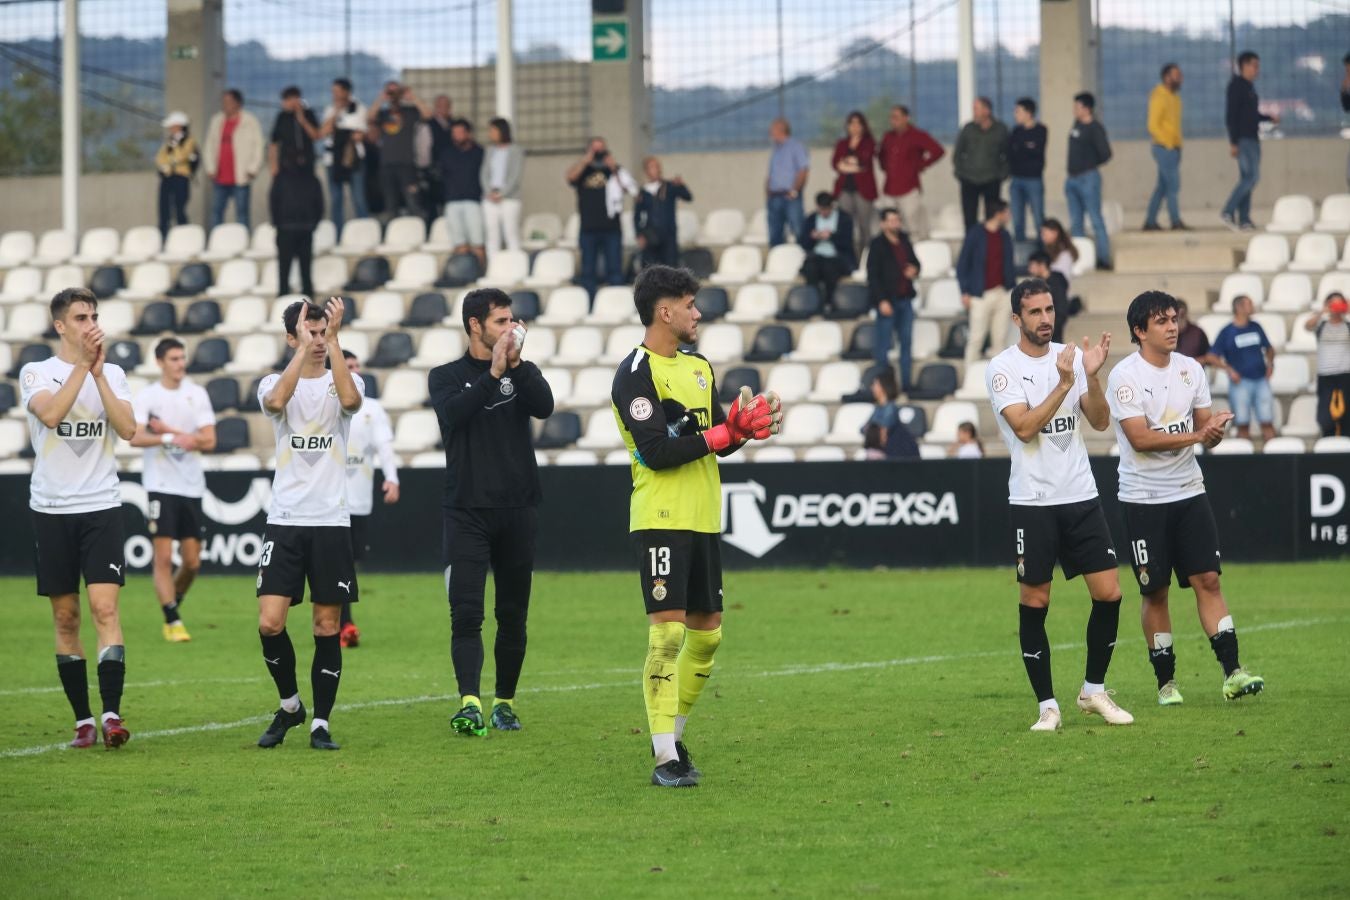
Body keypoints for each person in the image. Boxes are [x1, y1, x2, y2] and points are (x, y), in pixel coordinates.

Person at [610, 265, 782, 787]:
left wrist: (744, 430)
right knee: (667, 635)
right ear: (665, 311)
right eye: (689, 305)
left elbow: (715, 440)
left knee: (707, 638)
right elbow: (657, 452)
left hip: (704, 516)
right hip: (660, 517)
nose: (697, 313)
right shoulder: (634, 374)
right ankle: (665, 758)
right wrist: (724, 434)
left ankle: (673, 736)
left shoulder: (700, 367)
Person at [985, 278, 1132, 732]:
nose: (1046, 318)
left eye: (1049, 309)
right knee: (1036, 600)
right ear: (1017, 319)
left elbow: (1101, 421)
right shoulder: (1003, 368)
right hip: (1033, 500)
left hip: (1081, 495)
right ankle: (1047, 706)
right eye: (1035, 312)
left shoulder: (1070, 358)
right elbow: (1025, 428)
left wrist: (1091, 376)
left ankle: (1093, 690)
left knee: (1109, 593)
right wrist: (1065, 382)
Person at [1107, 290, 1265, 706]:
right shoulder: (1124, 376)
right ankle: (1166, 683)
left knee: (1208, 579)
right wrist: (1198, 435)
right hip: (1143, 498)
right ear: (1140, 331)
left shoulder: (1191, 369)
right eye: (1161, 321)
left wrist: (1214, 433)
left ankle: (1233, 672)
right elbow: (1140, 439)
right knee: (1155, 591)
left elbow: (1204, 433)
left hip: (1189, 491)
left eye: (1174, 319)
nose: (1172, 327)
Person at [428, 289, 553, 736]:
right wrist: (493, 373)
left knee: (512, 614)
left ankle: (504, 702)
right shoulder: (445, 376)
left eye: (512, 320)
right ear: (474, 325)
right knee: (466, 613)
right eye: (501, 321)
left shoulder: (523, 371)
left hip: (518, 508)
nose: (510, 328)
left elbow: (545, 406)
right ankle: (469, 703)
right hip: (467, 510)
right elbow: (454, 416)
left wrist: (514, 366)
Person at [21, 287, 137, 749]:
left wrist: (100, 374)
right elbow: (51, 415)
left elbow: (128, 429)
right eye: (81, 318)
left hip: (101, 506)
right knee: (66, 617)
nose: (91, 324)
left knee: (105, 609)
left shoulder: (114, 373)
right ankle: (82, 720)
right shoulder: (36, 371)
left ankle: (111, 715)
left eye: (94, 316)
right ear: (60, 326)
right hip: (51, 510)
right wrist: (82, 368)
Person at [254, 298, 362, 752]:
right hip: (285, 519)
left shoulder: (345, 379)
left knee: (326, 625)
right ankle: (291, 706)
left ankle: (320, 723)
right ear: (291, 337)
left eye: (322, 331)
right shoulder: (273, 383)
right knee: (270, 623)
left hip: (330, 521)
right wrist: (303, 350)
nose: (318, 340)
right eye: (309, 333)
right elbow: (276, 402)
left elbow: (352, 402)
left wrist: (334, 343)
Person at [128, 338, 217, 643]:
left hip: (191, 486)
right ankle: (172, 619)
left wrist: (170, 431)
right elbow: (135, 437)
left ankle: (172, 603)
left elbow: (209, 441)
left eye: (182, 358)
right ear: (159, 362)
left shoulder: (197, 394)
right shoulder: (148, 396)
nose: (180, 364)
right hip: (160, 485)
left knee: (192, 562)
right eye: (174, 359)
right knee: (163, 557)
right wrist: (169, 437)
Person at [340, 350, 400, 648]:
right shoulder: (325, 404)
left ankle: (335, 620)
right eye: (348, 366)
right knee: (339, 563)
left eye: (356, 366)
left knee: (349, 562)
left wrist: (392, 478)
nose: (355, 370)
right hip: (327, 504)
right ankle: (344, 624)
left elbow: (384, 447)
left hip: (359, 501)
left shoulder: (372, 408)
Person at [269, 86, 324, 298]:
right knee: (284, 264)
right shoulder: (281, 118)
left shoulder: (308, 115)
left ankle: (308, 295)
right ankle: (283, 295)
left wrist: (301, 118)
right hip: (285, 222)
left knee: (305, 264)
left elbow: (316, 134)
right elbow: (273, 143)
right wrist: (274, 166)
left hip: (305, 220)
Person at [565, 137, 637, 299]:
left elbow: (628, 188)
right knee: (588, 271)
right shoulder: (583, 170)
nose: (598, 153)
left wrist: (613, 168)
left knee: (615, 270)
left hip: (612, 228)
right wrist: (586, 160)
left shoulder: (614, 169)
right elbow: (570, 177)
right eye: (595, 149)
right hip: (588, 228)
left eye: (601, 149)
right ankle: (589, 303)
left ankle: (616, 303)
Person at [1222, 51, 1277, 231]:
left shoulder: (1249, 88)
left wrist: (1268, 118)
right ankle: (1228, 211)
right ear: (1244, 66)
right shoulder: (1236, 86)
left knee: (1247, 179)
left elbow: (1251, 115)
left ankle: (1244, 219)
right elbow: (1231, 116)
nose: (1257, 69)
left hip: (1253, 138)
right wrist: (1233, 142)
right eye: (1254, 65)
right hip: (1243, 140)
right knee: (1252, 177)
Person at [1207, 295, 1275, 441]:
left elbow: (1269, 348)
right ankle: (1245, 452)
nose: (1253, 306)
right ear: (1239, 307)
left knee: (1267, 422)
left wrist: (1270, 364)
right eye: (1249, 303)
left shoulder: (1256, 327)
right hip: (1240, 383)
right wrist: (1229, 369)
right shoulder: (1227, 332)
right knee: (1242, 425)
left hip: (1261, 379)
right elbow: (1211, 356)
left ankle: (1273, 452)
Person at [866, 207, 921, 389]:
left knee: (906, 344)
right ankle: (884, 388)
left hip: (905, 299)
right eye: (891, 220)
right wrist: (881, 300)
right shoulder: (877, 245)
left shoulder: (904, 240)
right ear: (883, 224)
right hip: (887, 301)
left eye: (897, 220)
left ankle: (906, 384)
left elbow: (915, 263)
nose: (895, 223)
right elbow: (873, 276)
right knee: (883, 347)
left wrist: (915, 270)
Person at [957, 199, 1015, 364]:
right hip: (980, 294)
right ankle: (968, 376)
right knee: (976, 339)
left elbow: (1009, 265)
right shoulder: (975, 234)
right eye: (1006, 212)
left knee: (1000, 340)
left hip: (1003, 292)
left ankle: (999, 378)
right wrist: (964, 291)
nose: (1009, 216)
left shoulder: (1005, 235)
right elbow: (962, 265)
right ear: (998, 214)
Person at [878, 105, 944, 240]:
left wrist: (921, 165)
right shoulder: (888, 136)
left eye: (896, 117)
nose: (893, 121)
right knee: (890, 224)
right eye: (891, 117)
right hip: (890, 188)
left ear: (906, 118)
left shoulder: (917, 135)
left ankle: (913, 249)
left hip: (909, 188)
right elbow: (881, 155)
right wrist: (885, 167)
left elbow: (938, 151)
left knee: (912, 225)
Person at [369, 80, 431, 220]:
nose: (393, 95)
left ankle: (419, 227)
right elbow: (370, 117)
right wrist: (381, 99)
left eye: (396, 91)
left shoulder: (410, 112)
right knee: (390, 205)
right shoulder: (383, 114)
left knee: (413, 202)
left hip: (407, 164)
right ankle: (393, 231)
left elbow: (428, 115)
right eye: (390, 91)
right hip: (387, 165)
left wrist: (412, 97)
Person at [1065, 92, 1113, 271]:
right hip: (1072, 178)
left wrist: (1089, 163)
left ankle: (1103, 257)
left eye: (1077, 107)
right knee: (1076, 222)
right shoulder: (1077, 124)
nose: (1074, 110)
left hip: (1088, 178)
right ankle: (1079, 259)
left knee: (1095, 218)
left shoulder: (1095, 128)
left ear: (1087, 108)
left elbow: (1106, 153)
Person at [203, 89, 263, 231]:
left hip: (241, 176)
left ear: (238, 103)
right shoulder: (216, 120)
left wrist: (253, 168)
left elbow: (259, 146)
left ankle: (243, 239)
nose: (225, 105)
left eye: (229, 101)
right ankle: (215, 240)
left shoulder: (249, 120)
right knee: (216, 213)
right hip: (219, 177)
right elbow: (209, 146)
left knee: (242, 214)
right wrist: (210, 168)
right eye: (223, 101)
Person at [319, 78, 369, 236]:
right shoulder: (330, 110)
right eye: (333, 92)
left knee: (358, 197)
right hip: (333, 159)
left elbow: (361, 134)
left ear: (347, 92)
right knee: (336, 199)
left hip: (353, 158)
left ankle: (364, 232)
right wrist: (336, 112)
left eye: (338, 91)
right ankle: (338, 234)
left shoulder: (360, 109)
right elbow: (323, 132)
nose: (335, 95)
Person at [952, 97, 1008, 231]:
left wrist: (1002, 174)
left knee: (992, 216)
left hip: (992, 179)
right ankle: (971, 242)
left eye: (976, 109)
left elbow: (1007, 154)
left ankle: (990, 242)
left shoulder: (1000, 130)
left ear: (986, 111)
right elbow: (958, 153)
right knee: (969, 217)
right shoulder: (968, 129)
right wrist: (960, 173)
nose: (974, 112)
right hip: (969, 179)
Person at [1144, 64, 1188, 231]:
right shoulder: (1159, 96)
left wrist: (1176, 144)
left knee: (1162, 187)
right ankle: (1175, 221)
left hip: (1174, 147)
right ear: (1166, 77)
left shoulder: (1175, 98)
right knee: (1173, 185)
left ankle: (1150, 221)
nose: (1180, 78)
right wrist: (1168, 143)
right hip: (1164, 148)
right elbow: (1152, 125)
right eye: (1176, 75)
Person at [798, 192, 856, 310]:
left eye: (827, 209)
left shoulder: (844, 218)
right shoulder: (811, 219)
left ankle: (829, 302)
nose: (824, 212)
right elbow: (803, 243)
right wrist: (813, 237)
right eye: (821, 209)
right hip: (816, 257)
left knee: (830, 270)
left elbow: (847, 242)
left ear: (832, 206)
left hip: (837, 258)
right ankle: (814, 302)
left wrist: (831, 236)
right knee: (810, 269)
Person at [441, 118, 486, 266]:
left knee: (478, 242)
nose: (457, 136)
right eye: (454, 133)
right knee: (459, 243)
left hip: (473, 200)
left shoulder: (479, 153)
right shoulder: (447, 153)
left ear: (468, 133)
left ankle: (480, 270)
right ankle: (464, 271)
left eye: (460, 132)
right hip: (452, 201)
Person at [634, 156, 693, 269]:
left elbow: (688, 197)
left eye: (657, 167)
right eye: (651, 167)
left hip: (668, 234)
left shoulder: (669, 186)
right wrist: (639, 234)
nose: (655, 170)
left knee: (670, 267)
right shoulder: (643, 192)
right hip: (650, 235)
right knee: (651, 268)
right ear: (646, 171)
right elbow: (637, 216)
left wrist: (681, 185)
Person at [831, 111, 878, 248]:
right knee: (846, 225)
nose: (855, 127)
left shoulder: (868, 142)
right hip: (845, 189)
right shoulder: (842, 143)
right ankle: (849, 255)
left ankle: (866, 254)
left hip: (863, 190)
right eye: (852, 123)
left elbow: (863, 163)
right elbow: (836, 164)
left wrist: (847, 164)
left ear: (863, 126)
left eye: (858, 123)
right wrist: (852, 164)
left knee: (864, 225)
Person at [1306, 293, 1350, 436]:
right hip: (1326, 376)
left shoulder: (1347, 325)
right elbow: (1308, 326)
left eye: (1340, 303)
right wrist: (1322, 311)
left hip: (1345, 374)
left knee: (1347, 415)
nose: (1336, 307)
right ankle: (1328, 440)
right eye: (1333, 303)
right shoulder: (1322, 325)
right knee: (1325, 417)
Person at [481, 117, 525, 256]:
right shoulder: (490, 150)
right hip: (490, 197)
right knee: (492, 235)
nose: (490, 133)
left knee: (511, 233)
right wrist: (489, 191)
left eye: (493, 130)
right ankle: (494, 265)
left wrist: (502, 193)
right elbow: (484, 173)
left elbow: (515, 175)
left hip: (509, 198)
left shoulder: (515, 150)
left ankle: (515, 264)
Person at [1006, 98, 1047, 242]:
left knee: (1038, 217)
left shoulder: (1040, 130)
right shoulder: (1016, 131)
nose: (1015, 114)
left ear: (1028, 113)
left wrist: (1022, 147)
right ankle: (1020, 249)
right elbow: (1010, 152)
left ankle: (1042, 249)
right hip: (1016, 179)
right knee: (1017, 219)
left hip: (1033, 179)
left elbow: (1036, 150)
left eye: (1018, 111)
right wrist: (1026, 146)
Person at [765, 118, 810, 247]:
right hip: (774, 197)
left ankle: (803, 255)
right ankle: (776, 256)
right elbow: (771, 173)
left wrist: (794, 190)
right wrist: (768, 190)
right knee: (775, 233)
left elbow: (803, 170)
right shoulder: (776, 149)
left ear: (782, 130)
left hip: (790, 197)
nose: (770, 132)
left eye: (773, 129)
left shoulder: (796, 147)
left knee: (798, 230)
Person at [156, 111, 199, 238]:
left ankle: (183, 236)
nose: (170, 129)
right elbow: (160, 157)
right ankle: (164, 236)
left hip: (181, 177)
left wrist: (171, 161)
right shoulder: (169, 141)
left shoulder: (189, 140)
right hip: (167, 177)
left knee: (180, 209)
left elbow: (183, 155)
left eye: (172, 126)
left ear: (180, 126)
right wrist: (165, 165)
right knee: (164, 209)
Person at [862, 367, 918, 460]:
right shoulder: (878, 408)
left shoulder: (891, 408)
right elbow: (864, 429)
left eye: (875, 384)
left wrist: (874, 430)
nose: (872, 388)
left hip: (892, 452)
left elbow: (882, 430)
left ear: (883, 387)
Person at [1026, 250, 1068, 344]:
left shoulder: (1057, 283)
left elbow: (1061, 311)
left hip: (1053, 334)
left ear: (1041, 265)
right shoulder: (1038, 284)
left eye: (1032, 266)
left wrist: (1049, 331)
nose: (1029, 270)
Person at [1040, 218, 1078, 285]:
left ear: (1055, 233)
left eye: (1044, 234)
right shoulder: (1048, 250)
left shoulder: (1064, 254)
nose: (1043, 237)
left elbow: (1062, 278)